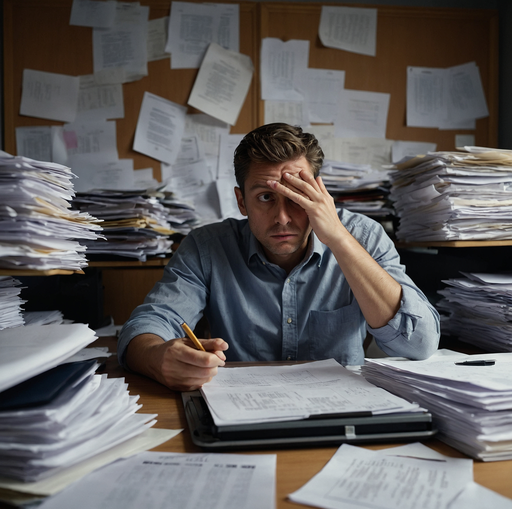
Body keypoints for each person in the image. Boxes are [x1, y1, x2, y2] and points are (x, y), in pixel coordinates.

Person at [118, 123, 440, 391]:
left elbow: (420, 344)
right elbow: (147, 326)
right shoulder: (207, 246)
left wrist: (338, 239)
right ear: (242, 202)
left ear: (319, 194)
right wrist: (159, 357)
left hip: (340, 411)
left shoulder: (363, 236)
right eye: (266, 197)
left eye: (298, 196)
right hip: (240, 407)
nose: (283, 217)